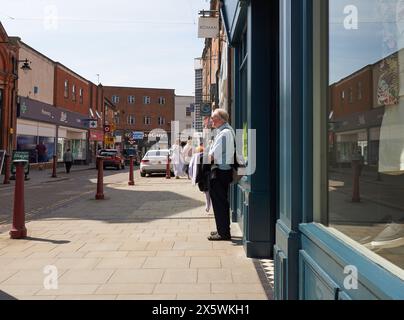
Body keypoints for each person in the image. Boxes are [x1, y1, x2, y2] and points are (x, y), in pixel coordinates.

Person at [207, 108, 235, 241]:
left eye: (214, 118)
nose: (212, 120)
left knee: (219, 203)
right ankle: (222, 229)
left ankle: (223, 233)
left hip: (220, 172)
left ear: (221, 120)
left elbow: (212, 155)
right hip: (224, 171)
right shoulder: (227, 131)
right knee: (221, 202)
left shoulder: (224, 133)